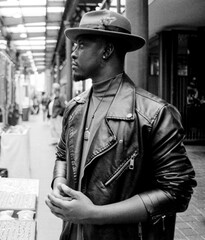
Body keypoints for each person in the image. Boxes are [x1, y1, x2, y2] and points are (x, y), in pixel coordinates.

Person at [45, 10, 196, 240]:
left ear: (106, 51)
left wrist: (94, 214)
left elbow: (177, 192)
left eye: (82, 45)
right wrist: (59, 183)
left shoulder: (154, 114)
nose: (73, 54)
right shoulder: (74, 108)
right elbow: (63, 154)